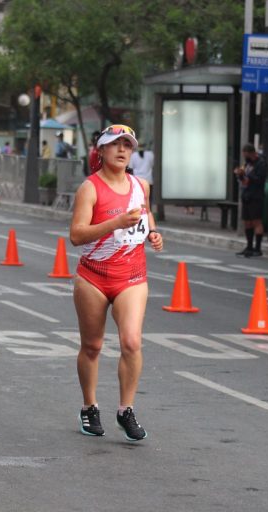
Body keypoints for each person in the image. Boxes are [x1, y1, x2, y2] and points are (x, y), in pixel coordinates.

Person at [70, 124, 163, 441]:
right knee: (92, 346)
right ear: (102, 150)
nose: (123, 150)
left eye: (128, 145)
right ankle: (89, 406)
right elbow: (76, 235)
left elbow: (145, 213)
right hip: (93, 277)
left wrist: (152, 232)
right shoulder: (90, 189)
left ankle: (126, 410)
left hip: (132, 276)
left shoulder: (141, 185)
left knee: (132, 342)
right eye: (115, 144)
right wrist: (114, 223)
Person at [234, 144, 268, 257]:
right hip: (246, 195)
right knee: (247, 222)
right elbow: (244, 180)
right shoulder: (247, 164)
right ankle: (249, 246)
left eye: (246, 155)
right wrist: (240, 175)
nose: (245, 157)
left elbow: (259, 179)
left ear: (252, 153)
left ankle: (257, 248)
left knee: (256, 221)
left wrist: (247, 175)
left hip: (256, 196)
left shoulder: (261, 164)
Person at [129, 142, 155, 206]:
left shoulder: (133, 155)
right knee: (148, 199)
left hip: (137, 180)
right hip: (148, 180)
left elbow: (131, 167)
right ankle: (148, 212)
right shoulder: (150, 154)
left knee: (138, 199)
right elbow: (153, 165)